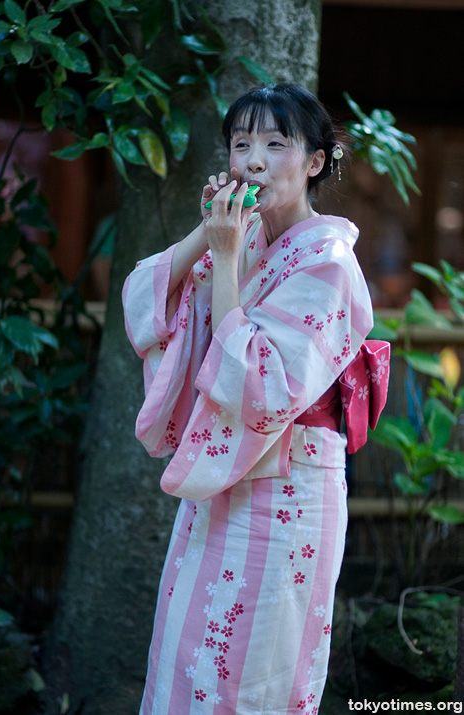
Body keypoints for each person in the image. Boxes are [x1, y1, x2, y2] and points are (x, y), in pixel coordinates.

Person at [122, 83, 390, 714]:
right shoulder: (240, 241)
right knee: (188, 654)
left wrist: (224, 256)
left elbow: (261, 387)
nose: (255, 160)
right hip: (222, 487)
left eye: (276, 143)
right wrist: (211, 237)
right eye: (242, 144)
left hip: (289, 486)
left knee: (255, 667)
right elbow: (144, 304)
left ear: (316, 161)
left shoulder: (327, 261)